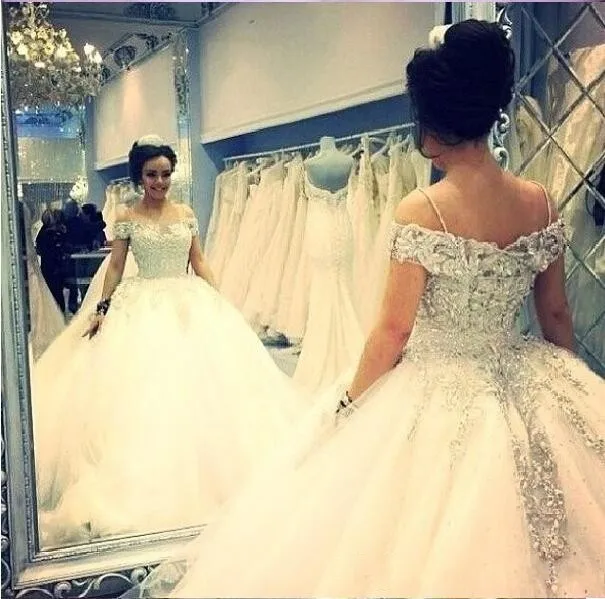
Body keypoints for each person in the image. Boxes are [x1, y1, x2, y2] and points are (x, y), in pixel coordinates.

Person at [124, 21, 605, 598]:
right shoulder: (539, 201)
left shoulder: (424, 208)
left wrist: (350, 406)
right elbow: (555, 315)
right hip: (525, 373)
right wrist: (565, 385)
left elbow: (394, 330)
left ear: (431, 121)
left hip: (438, 384)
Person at [33, 135, 306, 548]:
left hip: (188, 301)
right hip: (143, 305)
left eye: (165, 174)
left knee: (210, 387)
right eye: (151, 175)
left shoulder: (186, 213)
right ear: (139, 177)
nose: (159, 182)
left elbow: (199, 261)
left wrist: (219, 298)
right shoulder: (127, 216)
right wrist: (102, 308)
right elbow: (116, 267)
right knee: (148, 392)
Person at [35, 208, 67, 313]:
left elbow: (39, 249)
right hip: (53, 268)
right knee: (56, 293)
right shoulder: (52, 234)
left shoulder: (42, 233)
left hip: (47, 267)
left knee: (51, 293)